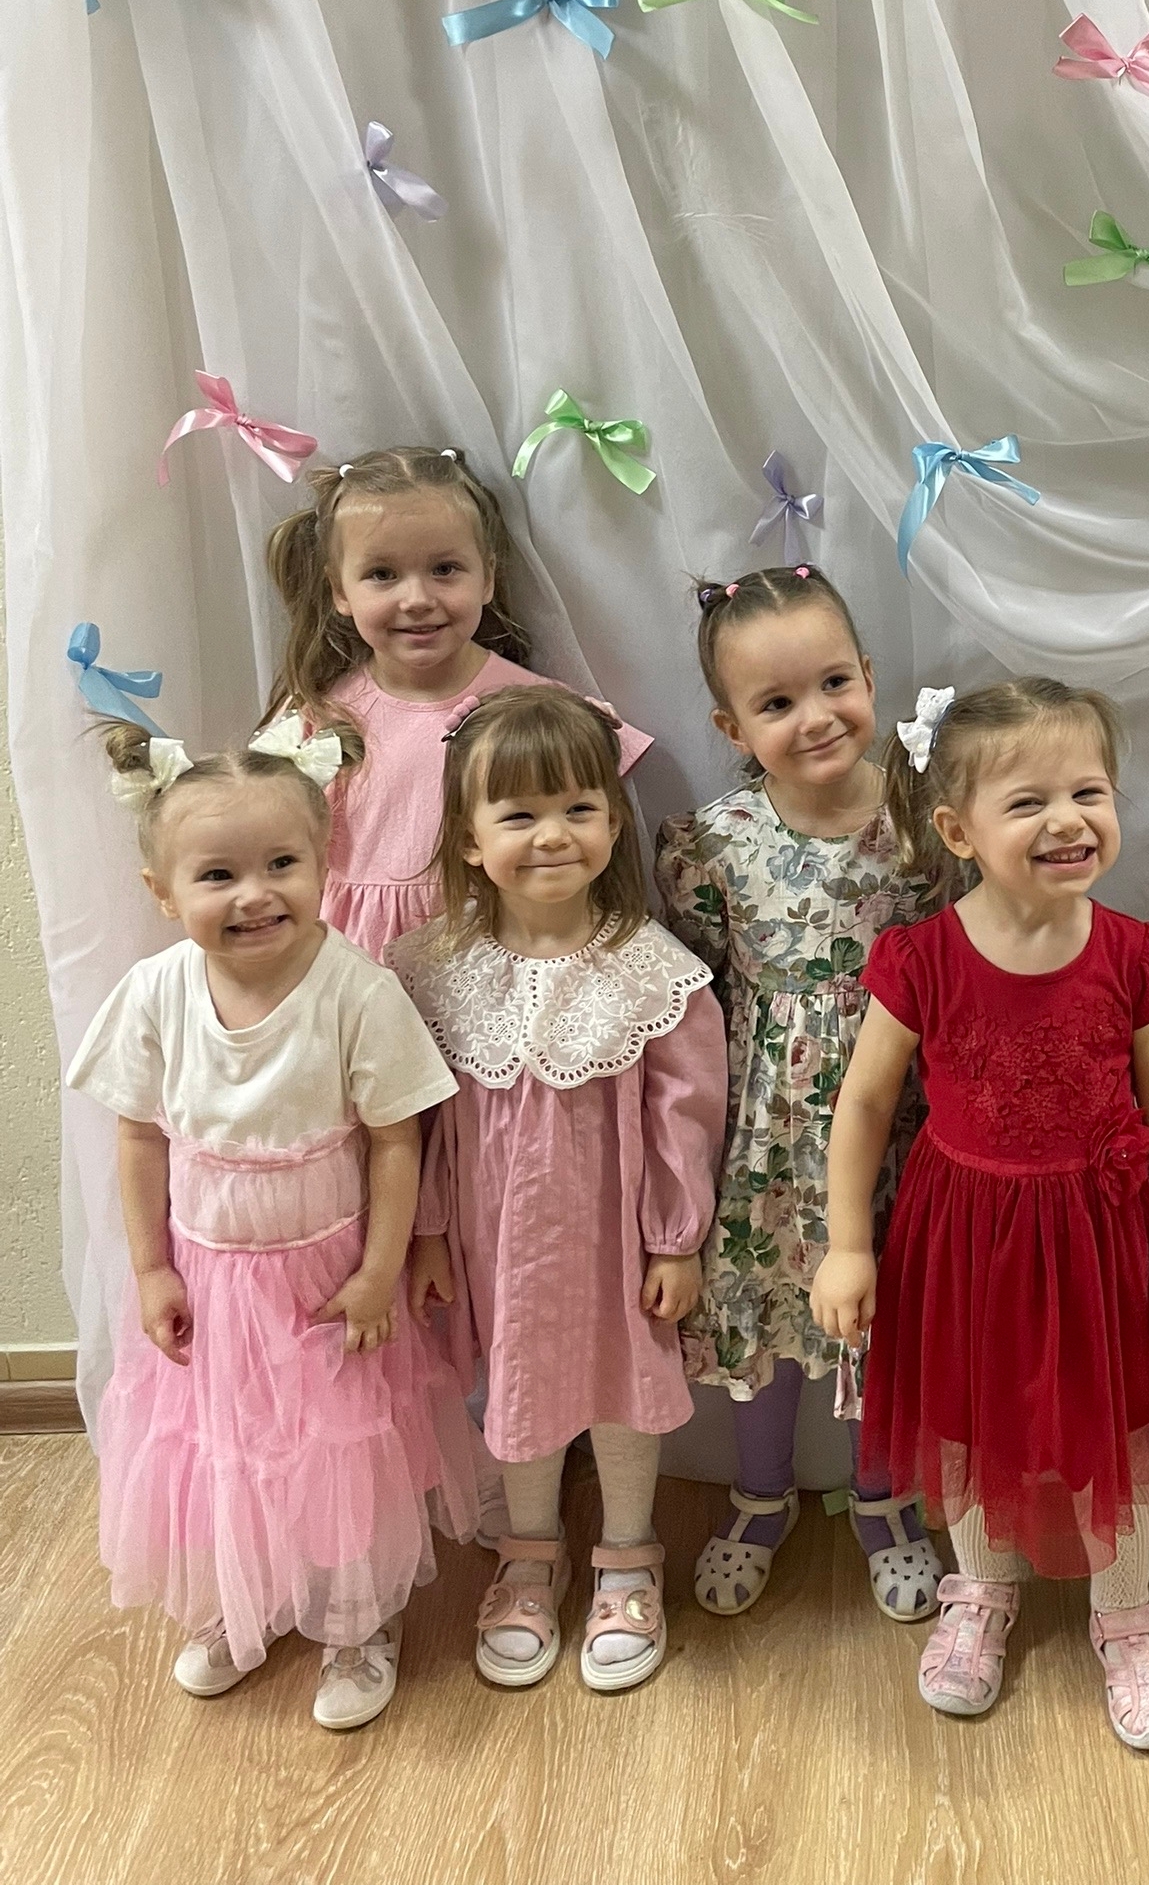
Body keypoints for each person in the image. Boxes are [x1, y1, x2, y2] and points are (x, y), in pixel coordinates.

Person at [813, 678, 1149, 1753]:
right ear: (958, 831)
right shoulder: (922, 959)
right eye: (1029, 800)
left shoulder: (1133, 953)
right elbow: (865, 1103)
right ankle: (981, 1592)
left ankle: (1128, 1619)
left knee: (1117, 1428)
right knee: (969, 1423)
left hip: (1101, 1240)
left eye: (1089, 791)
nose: (1068, 819)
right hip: (965, 1243)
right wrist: (848, 1243)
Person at [69, 719, 477, 1730]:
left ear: (323, 861)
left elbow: (396, 1140)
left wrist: (379, 1272)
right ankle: (239, 1597)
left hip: (328, 1277)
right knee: (225, 1445)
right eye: (218, 875)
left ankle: (355, 1616)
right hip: (210, 1279)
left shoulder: (355, 991)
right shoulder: (156, 994)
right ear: (163, 892)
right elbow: (140, 1137)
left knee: (340, 1448)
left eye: (281, 864)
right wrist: (151, 1269)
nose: (255, 894)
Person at [392, 688, 727, 1692]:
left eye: (579, 807)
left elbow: (685, 1116)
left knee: (625, 1385)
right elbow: (416, 1119)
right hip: (496, 1240)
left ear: (614, 820)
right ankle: (529, 1552)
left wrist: (675, 1238)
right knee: (519, 1383)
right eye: (519, 813)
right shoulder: (435, 968)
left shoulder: (651, 970)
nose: (552, 834)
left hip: (615, 1235)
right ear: (469, 836)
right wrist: (429, 1231)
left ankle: (627, 1556)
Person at [655, 567, 945, 1623]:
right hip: (765, 1137)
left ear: (868, 675)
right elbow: (693, 993)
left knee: (881, 1318)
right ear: (732, 727)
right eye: (777, 702)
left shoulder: (925, 823)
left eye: (832, 684)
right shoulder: (714, 842)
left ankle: (883, 1497)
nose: (815, 716)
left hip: (898, 1126)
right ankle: (761, 1493)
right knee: (767, 1318)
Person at [264, 444, 649, 960]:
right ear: (339, 591)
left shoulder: (545, 713)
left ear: (486, 577)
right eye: (382, 574)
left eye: (445, 569)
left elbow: (598, 848)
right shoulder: (317, 719)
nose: (418, 599)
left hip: (496, 964)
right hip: (359, 967)